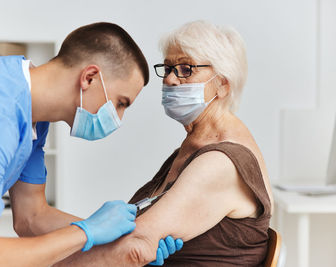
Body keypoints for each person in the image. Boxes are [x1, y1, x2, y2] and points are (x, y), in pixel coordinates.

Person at [0, 22, 181, 266]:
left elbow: (31, 217)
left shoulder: (31, 115)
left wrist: (124, 240)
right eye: (120, 103)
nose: (118, 118)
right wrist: (86, 232)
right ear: (90, 77)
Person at [53, 20, 274, 267]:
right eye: (168, 68)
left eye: (186, 69)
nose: (170, 79)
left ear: (222, 84)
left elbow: (135, 247)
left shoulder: (221, 163)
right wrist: (87, 232)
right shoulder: (193, 147)